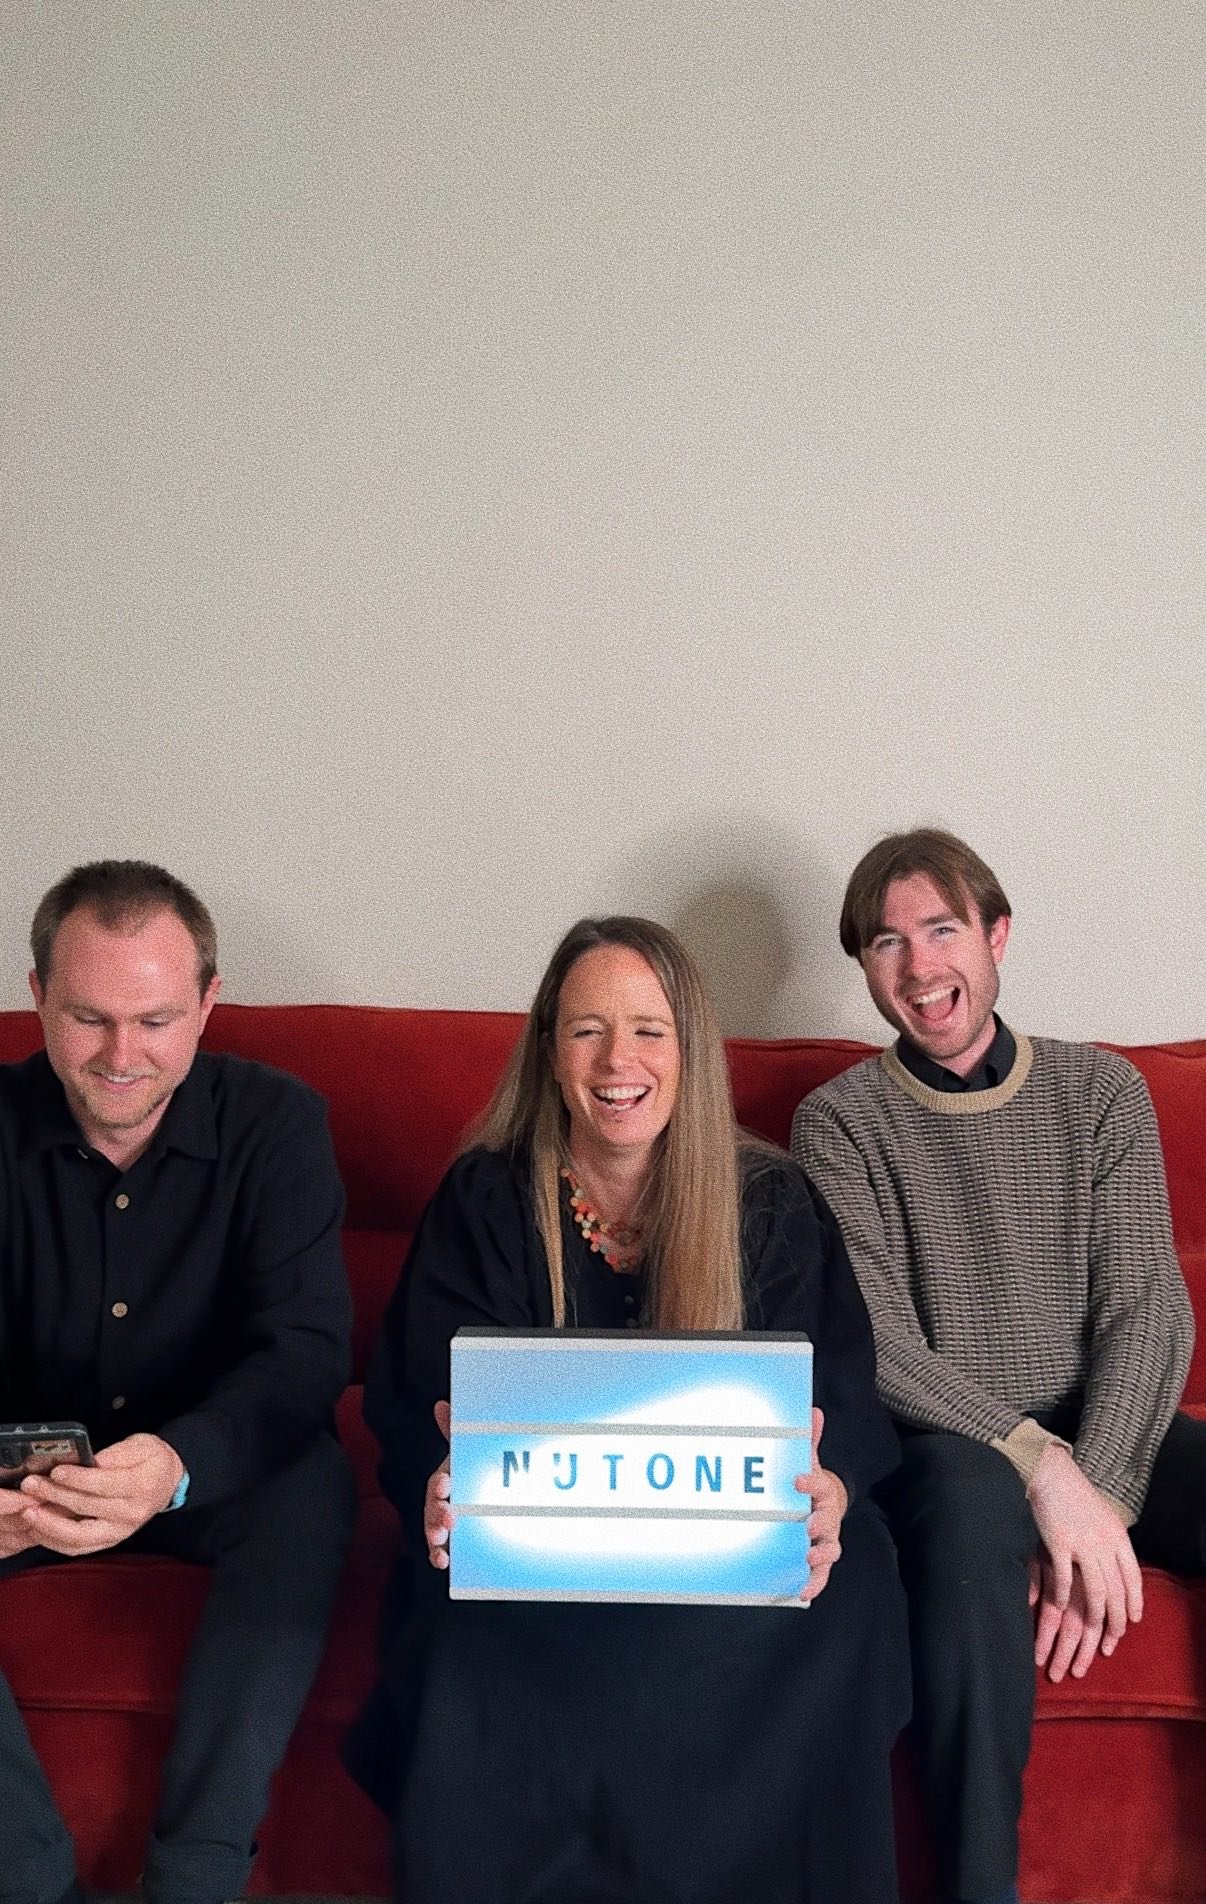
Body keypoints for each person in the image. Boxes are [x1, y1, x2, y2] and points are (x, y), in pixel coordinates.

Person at [349, 914, 909, 1904]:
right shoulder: (485, 1198)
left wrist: (831, 1488)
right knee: (452, 1611)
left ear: (689, 1048)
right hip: (540, 1556)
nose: (620, 1060)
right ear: (549, 1051)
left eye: (650, 1029)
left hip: (727, 1553)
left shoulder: (771, 1199)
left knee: (851, 1585)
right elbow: (415, 1397)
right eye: (587, 1029)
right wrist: (437, 1480)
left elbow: (843, 1398)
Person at [790, 828, 1200, 1904]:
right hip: (952, 1447)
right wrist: (1039, 1468)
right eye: (887, 941)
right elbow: (877, 1342)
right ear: (867, 966)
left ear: (996, 934)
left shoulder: (1100, 1091)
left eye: (941, 929)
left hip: (1106, 1427)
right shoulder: (838, 1122)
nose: (920, 967)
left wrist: (1097, 1497)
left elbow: (1147, 1307)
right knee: (973, 1515)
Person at [0, 860, 356, 1904]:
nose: (121, 1055)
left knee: (314, 1485)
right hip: (23, 1476)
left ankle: (194, 1878)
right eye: (88, 1017)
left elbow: (305, 1351)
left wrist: (175, 1463)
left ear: (206, 1002)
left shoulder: (278, 1124)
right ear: (36, 997)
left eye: (155, 1018)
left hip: (208, 1467)